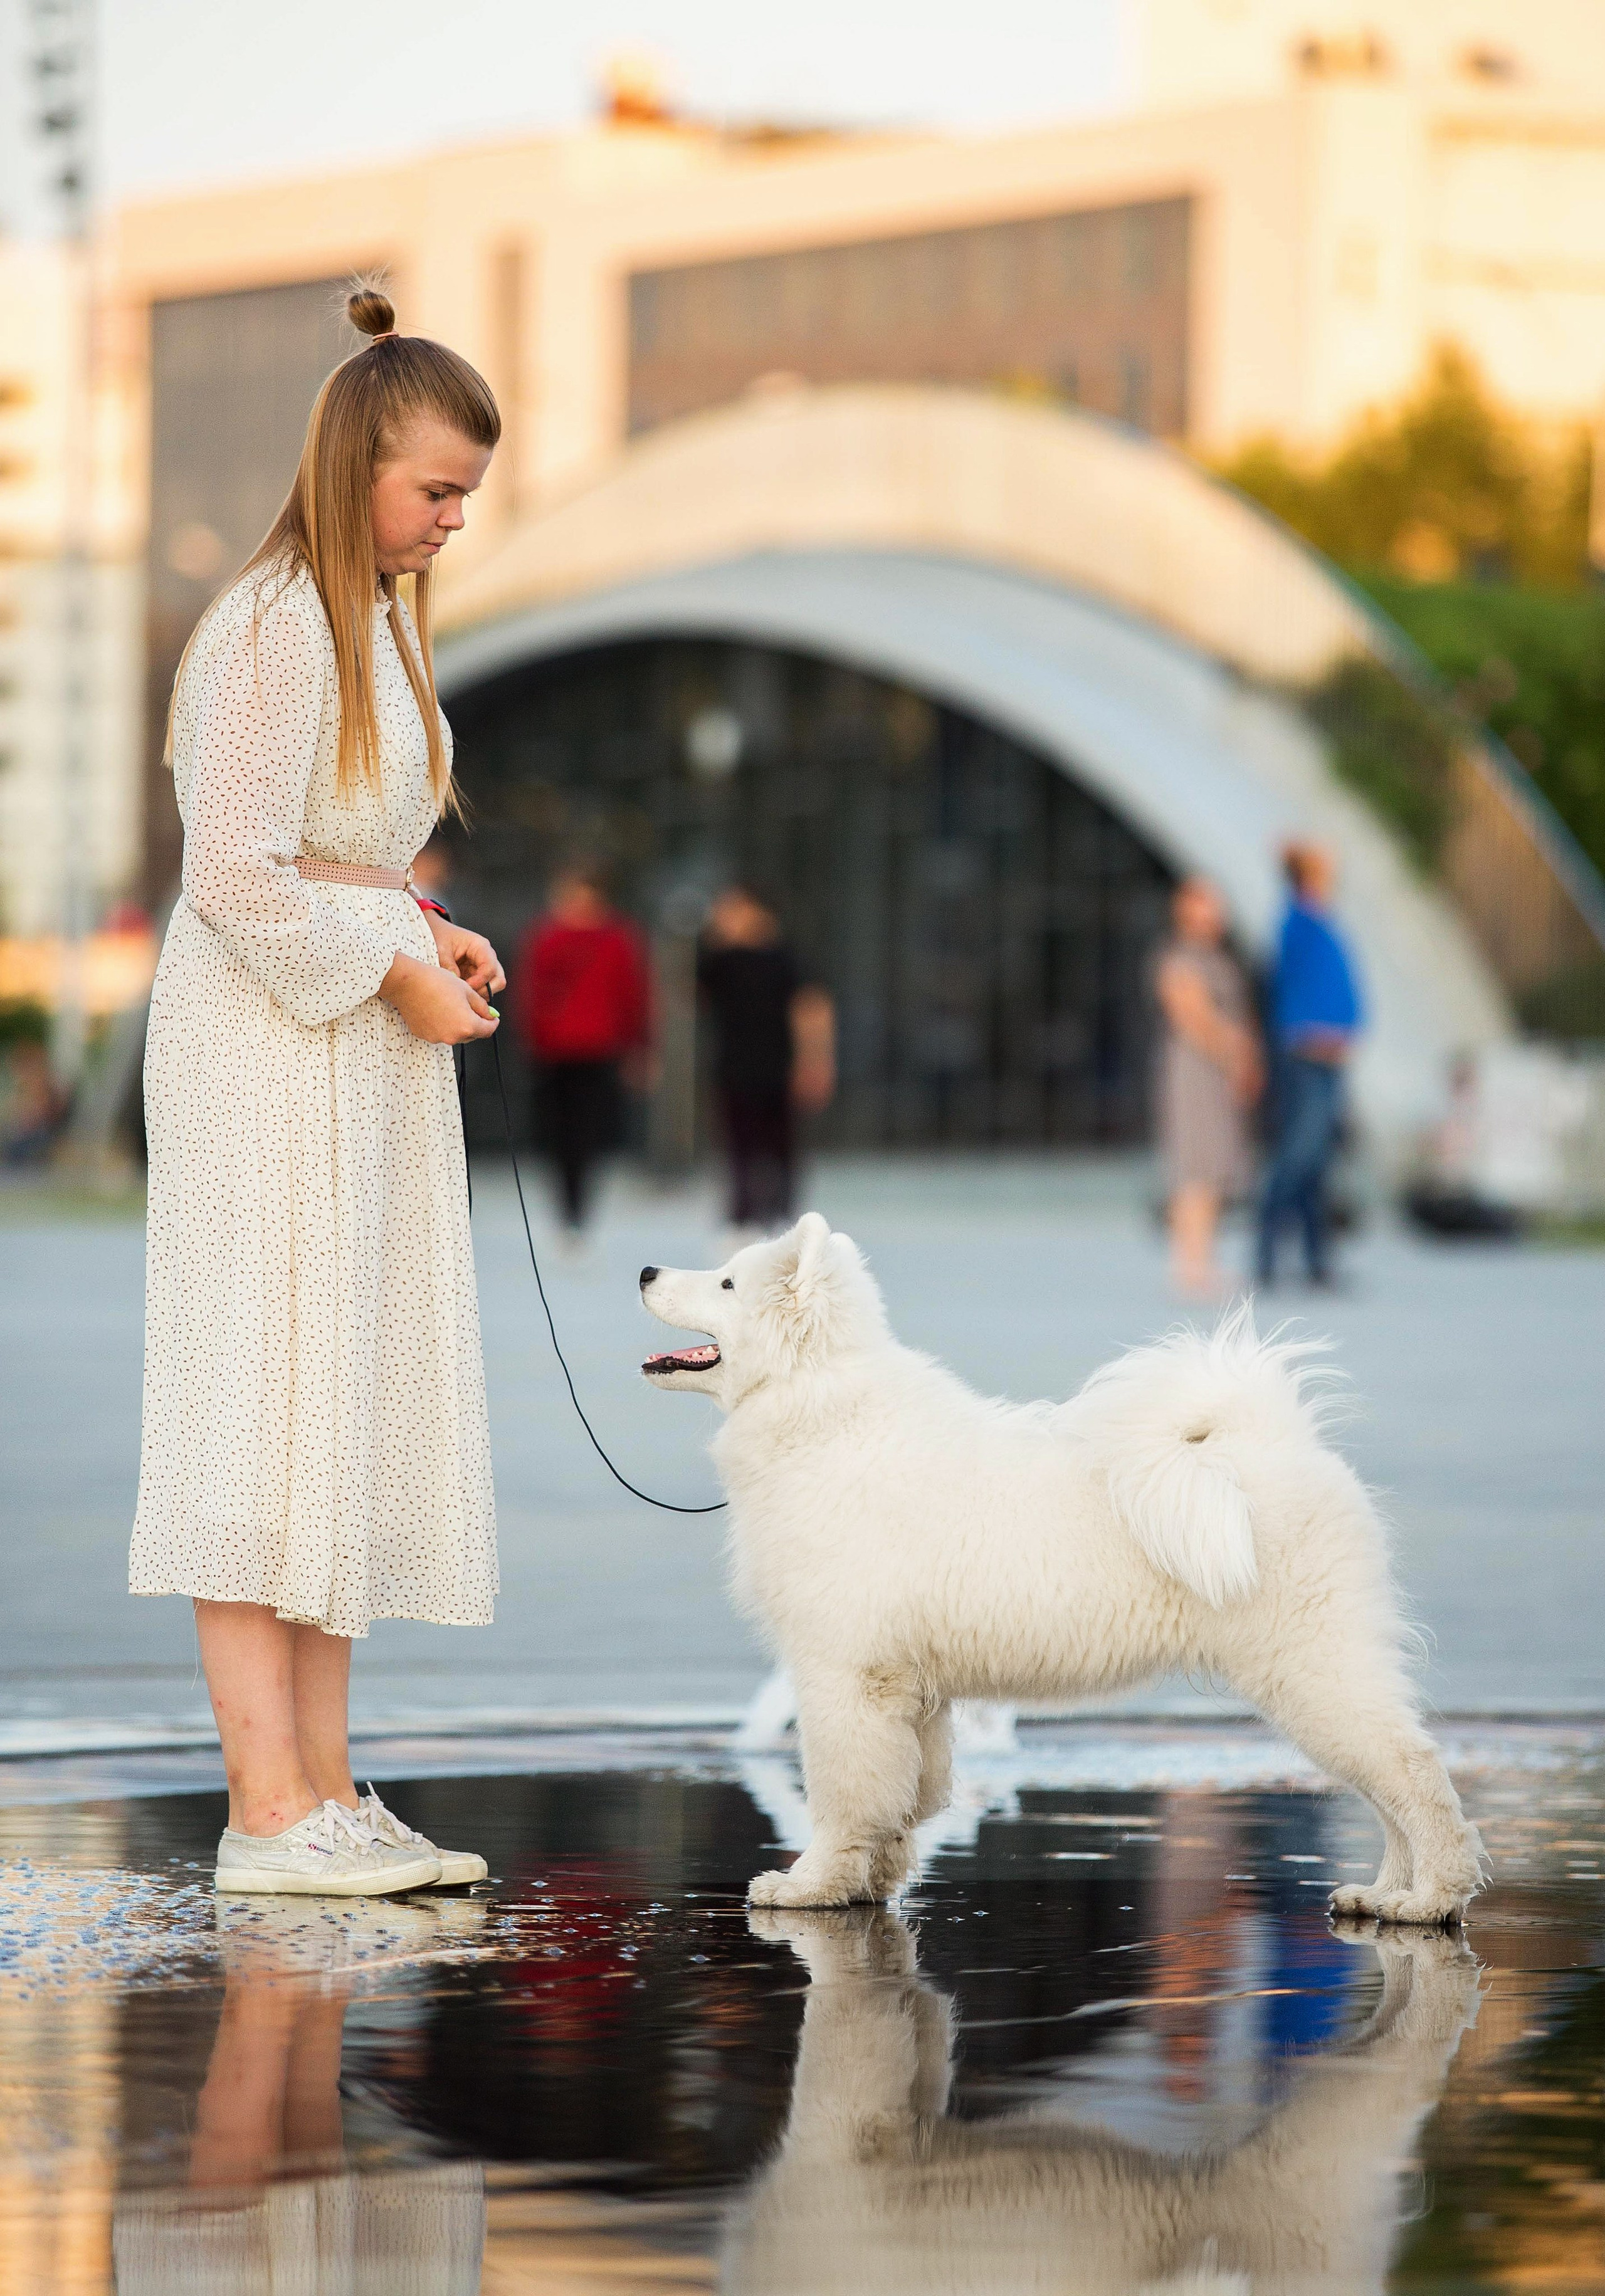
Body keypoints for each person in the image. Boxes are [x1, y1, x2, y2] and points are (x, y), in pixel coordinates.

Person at [129, 283, 504, 1896]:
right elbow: (229, 871)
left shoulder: (364, 622)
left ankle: (329, 1792)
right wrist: (390, 968)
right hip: (268, 1050)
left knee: (337, 1397)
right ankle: (265, 1806)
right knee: (264, 1401)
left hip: (347, 1033)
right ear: (359, 463)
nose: (448, 521)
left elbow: (332, 851)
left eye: (466, 497)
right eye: (433, 490)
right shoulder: (280, 620)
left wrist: (428, 925)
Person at [514, 866, 653, 1245]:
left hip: (592, 1050)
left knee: (582, 1136)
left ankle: (575, 1214)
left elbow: (632, 996)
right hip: (560, 1051)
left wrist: (638, 1047)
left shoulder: (600, 938)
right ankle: (571, 1214)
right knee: (566, 1136)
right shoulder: (556, 936)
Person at [1255, 839, 1364, 1289]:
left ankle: (1318, 1261)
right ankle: (1265, 1254)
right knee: (1297, 1156)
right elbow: (1288, 989)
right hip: (1307, 1055)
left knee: (1317, 1162)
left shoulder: (1318, 919)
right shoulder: (1296, 922)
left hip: (1328, 1056)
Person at [697, 884, 834, 1235]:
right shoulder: (721, 961)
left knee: (780, 1147)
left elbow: (812, 1009)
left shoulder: (787, 958)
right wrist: (715, 937)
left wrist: (816, 1061)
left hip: (781, 1067)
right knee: (738, 1145)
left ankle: (783, 1219)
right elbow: (693, 993)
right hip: (734, 1067)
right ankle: (740, 1219)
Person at [1153, 876, 1262, 1296]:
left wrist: (1243, 1061)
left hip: (1220, 1071)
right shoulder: (1178, 958)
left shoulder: (1220, 957)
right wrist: (1233, 1052)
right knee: (1193, 1167)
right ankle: (1189, 1265)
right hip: (1195, 1071)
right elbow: (1192, 1017)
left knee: (1215, 1168)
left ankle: (1204, 1260)